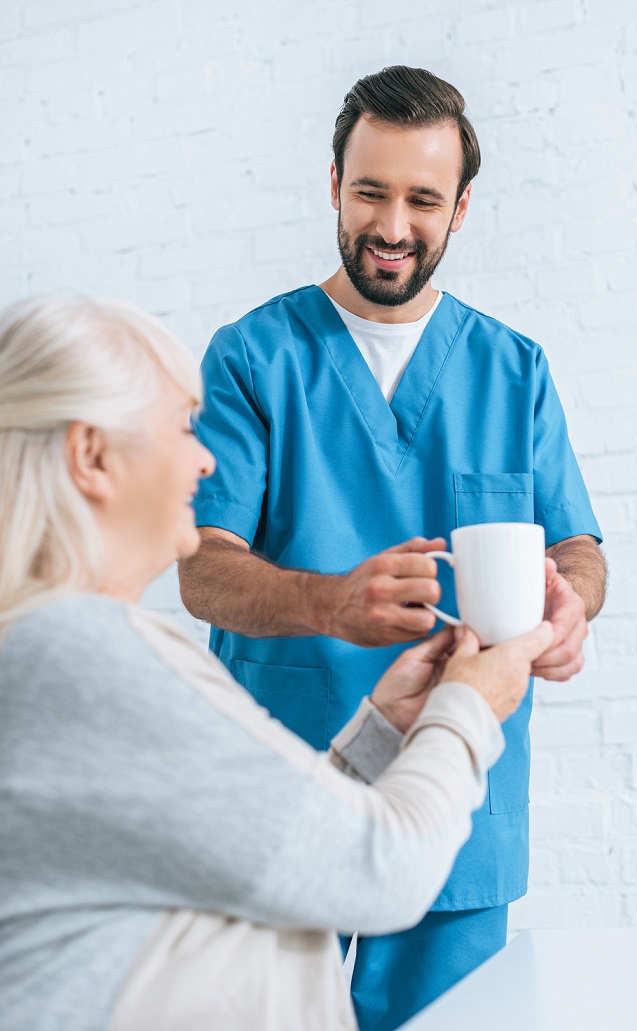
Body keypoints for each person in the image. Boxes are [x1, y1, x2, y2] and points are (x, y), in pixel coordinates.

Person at [178, 65, 608, 1030]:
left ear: (460, 209)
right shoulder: (253, 358)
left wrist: (572, 599)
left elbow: (577, 542)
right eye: (370, 190)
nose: (391, 225)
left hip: (462, 800)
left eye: (422, 199)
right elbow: (201, 566)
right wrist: (328, 602)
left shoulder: (514, 368)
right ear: (334, 184)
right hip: (287, 802)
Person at [0, 295, 556, 1031]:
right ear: (92, 456)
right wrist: (469, 705)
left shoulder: (55, 649)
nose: (204, 460)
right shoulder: (83, 656)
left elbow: (254, 839)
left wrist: (385, 729)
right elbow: (376, 869)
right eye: (180, 428)